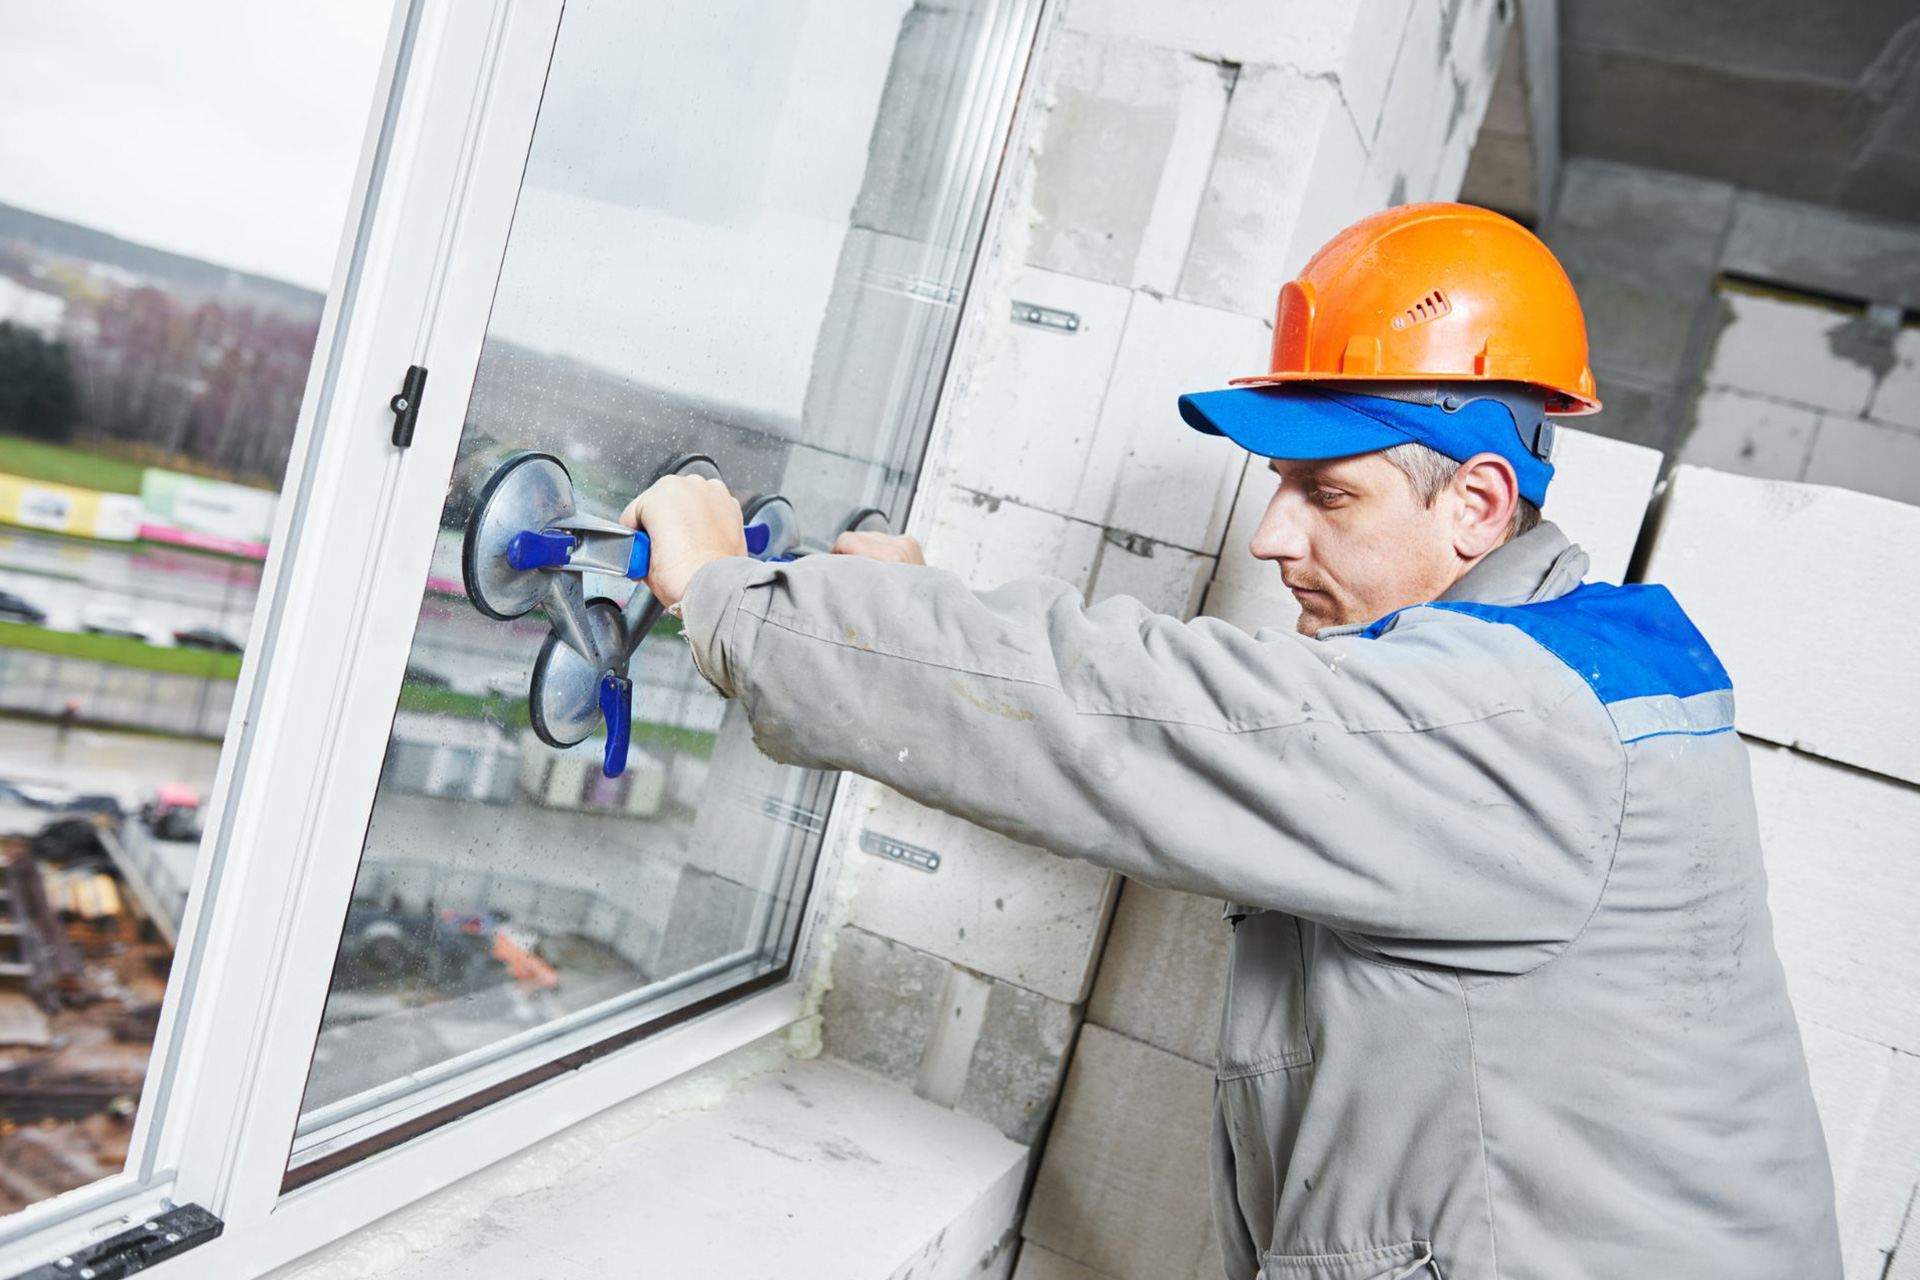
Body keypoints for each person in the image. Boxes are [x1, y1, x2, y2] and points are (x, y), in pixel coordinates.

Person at [621, 204, 1840, 1279]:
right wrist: (897, 615)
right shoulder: (1572, 679)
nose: (1269, 535)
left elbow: (1131, 717)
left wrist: (740, 599)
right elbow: (1179, 728)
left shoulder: (1518, 722)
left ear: (1475, 503)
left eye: (1329, 491)